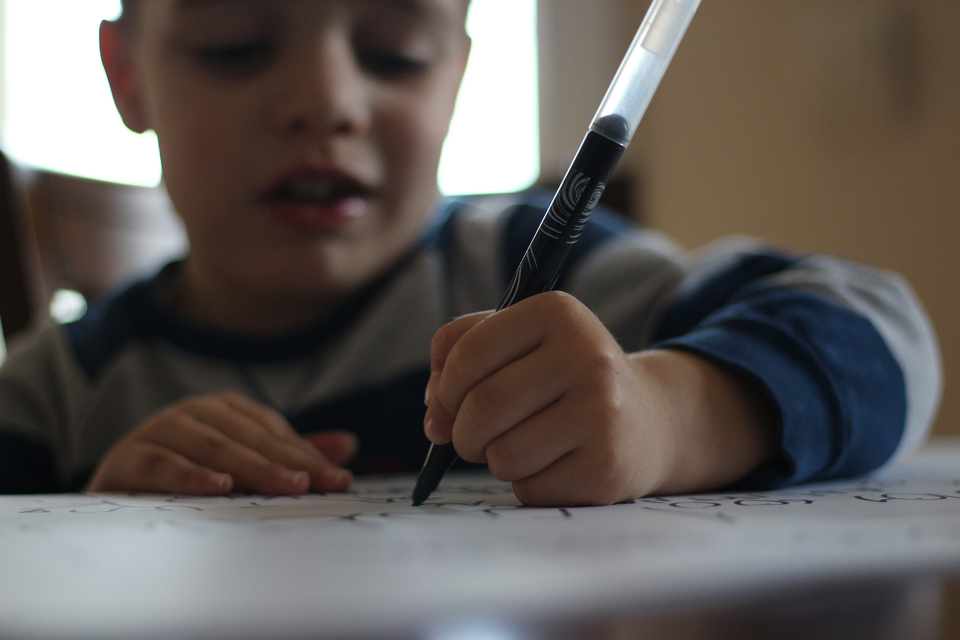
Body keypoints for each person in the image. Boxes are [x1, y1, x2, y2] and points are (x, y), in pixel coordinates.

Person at [0, 0, 941, 505]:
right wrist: (94, 517)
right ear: (127, 76)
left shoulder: (527, 268)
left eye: (397, 52)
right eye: (237, 46)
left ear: (457, 71)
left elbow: (885, 329)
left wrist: (667, 414)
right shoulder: (57, 391)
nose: (326, 100)